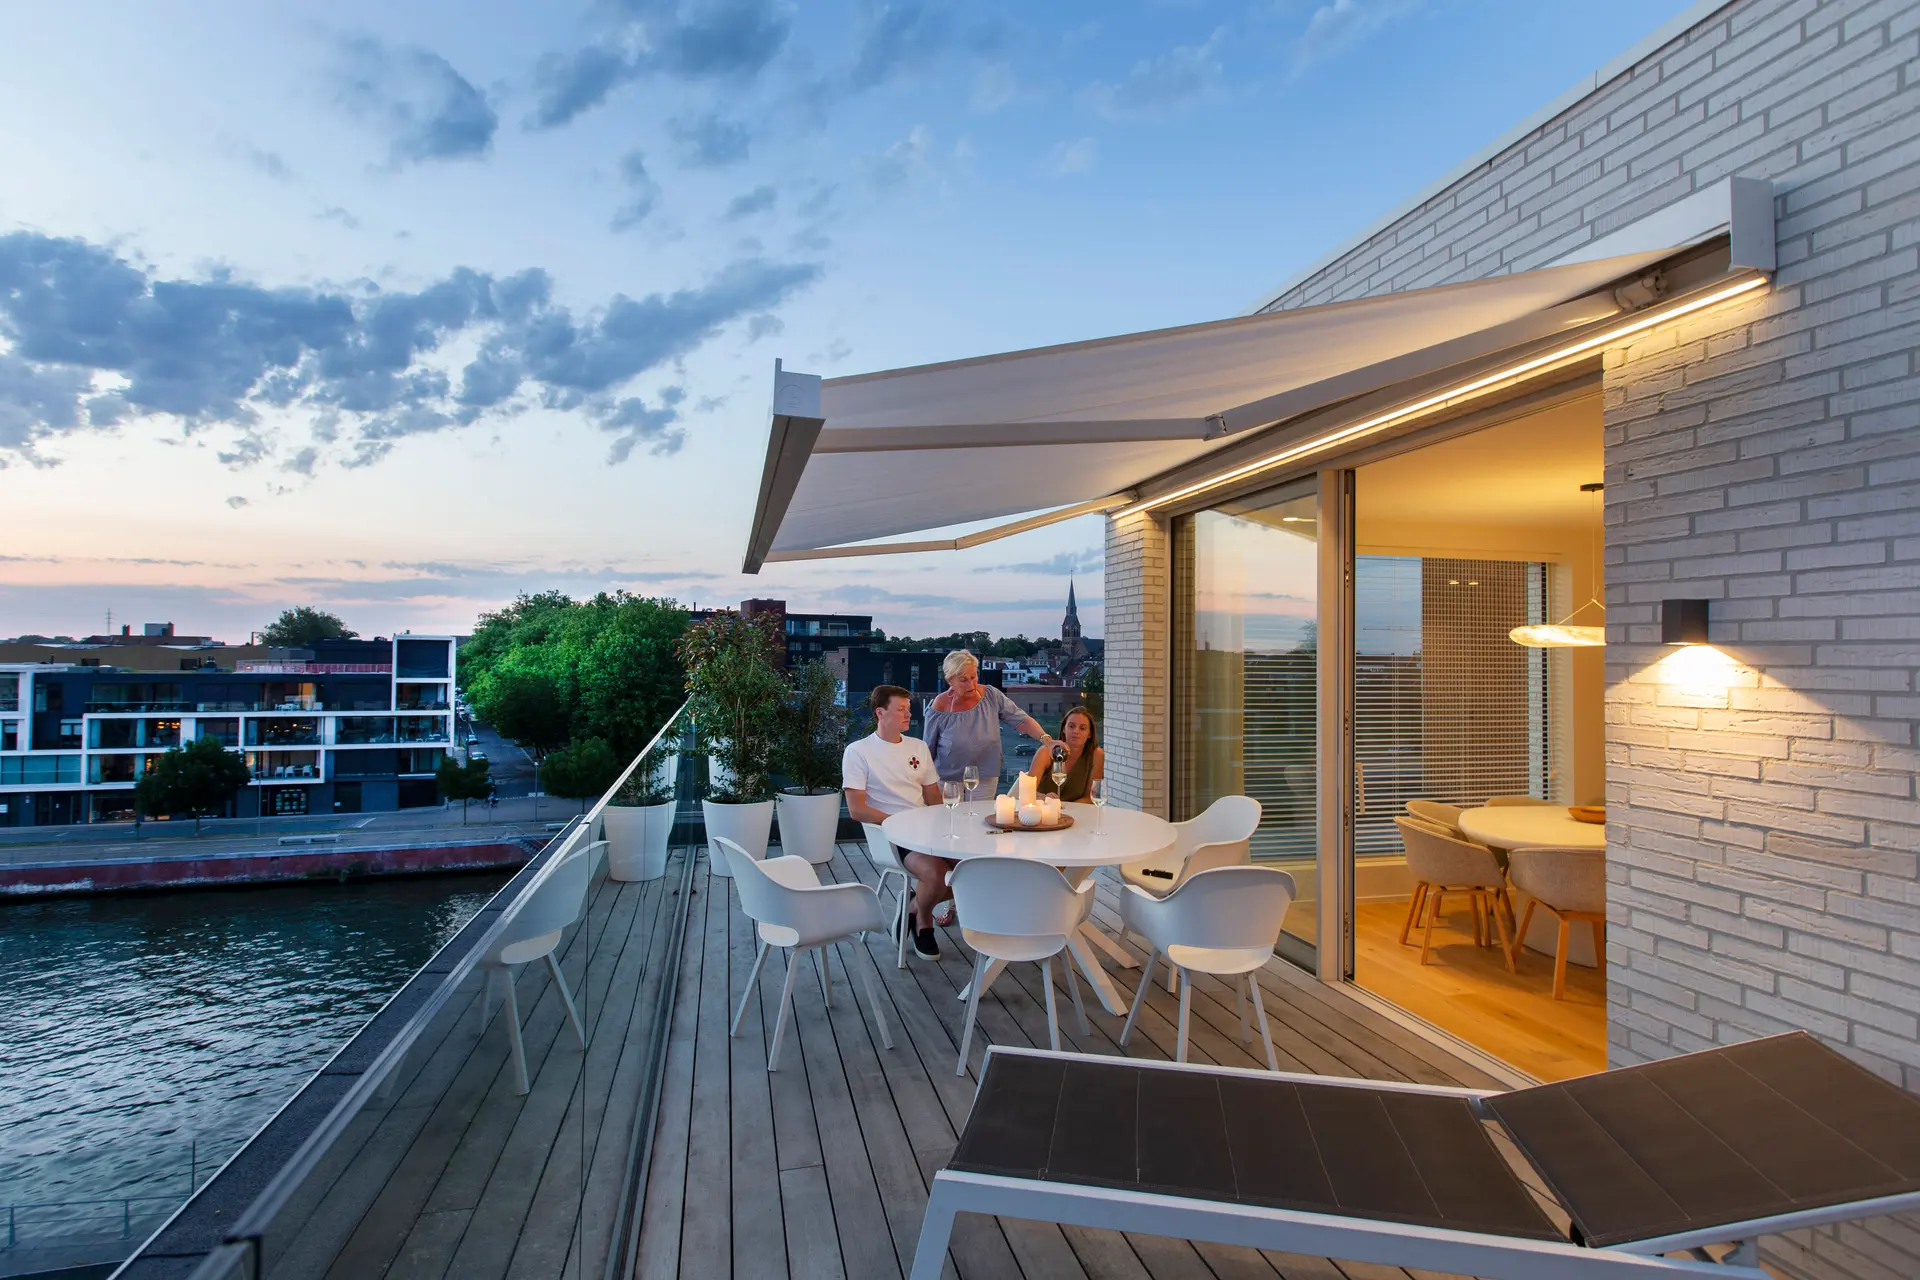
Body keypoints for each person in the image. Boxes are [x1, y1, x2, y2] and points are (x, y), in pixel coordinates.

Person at [842, 684, 951, 960]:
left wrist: (949, 827)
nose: (908, 715)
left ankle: (913, 905)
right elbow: (856, 810)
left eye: (908, 709)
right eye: (901, 709)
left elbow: (933, 797)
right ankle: (924, 921)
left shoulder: (918, 747)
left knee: (972, 871)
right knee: (937, 876)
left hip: (925, 832)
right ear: (880, 712)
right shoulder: (859, 751)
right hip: (890, 836)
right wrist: (899, 823)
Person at [922, 649, 1051, 793]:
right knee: (951, 815)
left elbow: (1022, 720)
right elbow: (928, 747)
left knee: (978, 814)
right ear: (949, 680)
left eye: (973, 677)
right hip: (947, 779)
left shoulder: (991, 695)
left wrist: (1046, 739)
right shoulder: (940, 704)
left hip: (984, 777)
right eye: (963, 680)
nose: (971, 685)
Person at [1030, 705, 1104, 802]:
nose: (1076, 731)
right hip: (1044, 812)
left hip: (1077, 813)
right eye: (1071, 726)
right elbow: (1027, 791)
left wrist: (1068, 811)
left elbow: (1090, 797)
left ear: (1089, 734)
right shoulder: (1045, 752)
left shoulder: (1097, 755)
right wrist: (1044, 797)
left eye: (1082, 728)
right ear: (1064, 729)